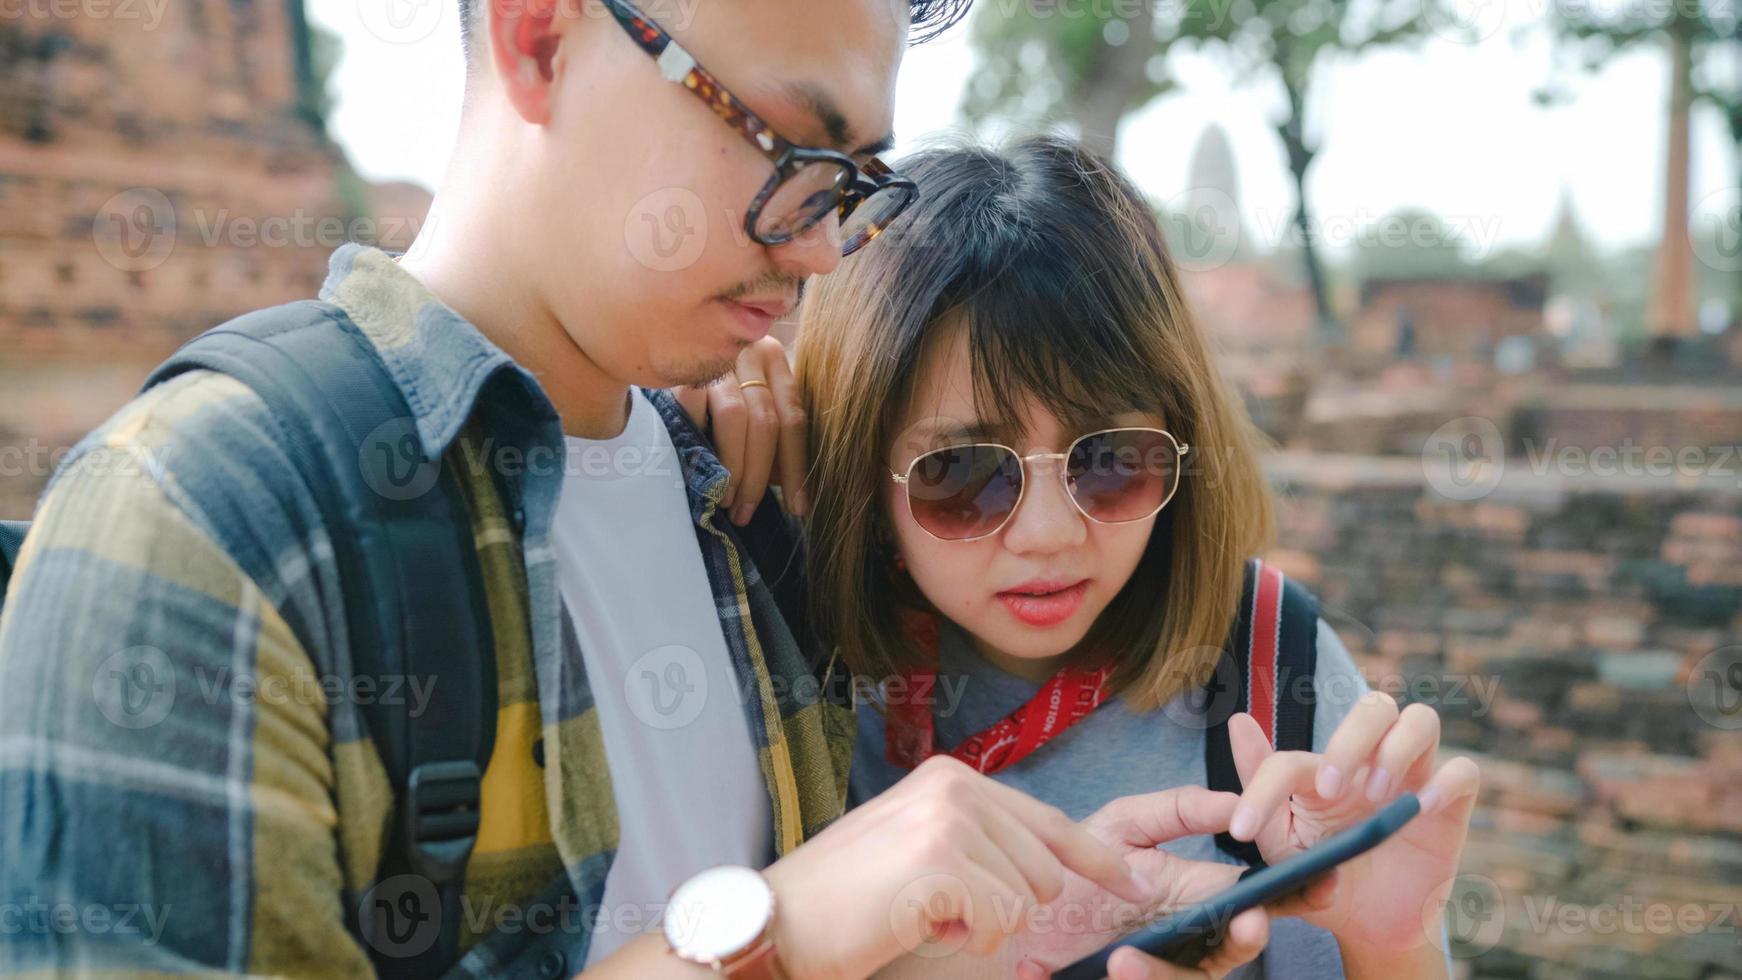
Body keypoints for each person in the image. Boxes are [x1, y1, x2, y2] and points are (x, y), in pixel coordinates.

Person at [0, 3, 1307, 978]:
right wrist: (774, 933)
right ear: (539, 36)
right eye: (782, 146)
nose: (812, 250)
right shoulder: (218, 523)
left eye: (852, 183)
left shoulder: (746, 508)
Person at [780, 136, 1482, 977]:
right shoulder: (800, 683)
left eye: (1109, 459)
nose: (1048, 533)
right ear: (861, 470)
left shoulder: (1268, 665)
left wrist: (1389, 943)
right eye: (961, 472)